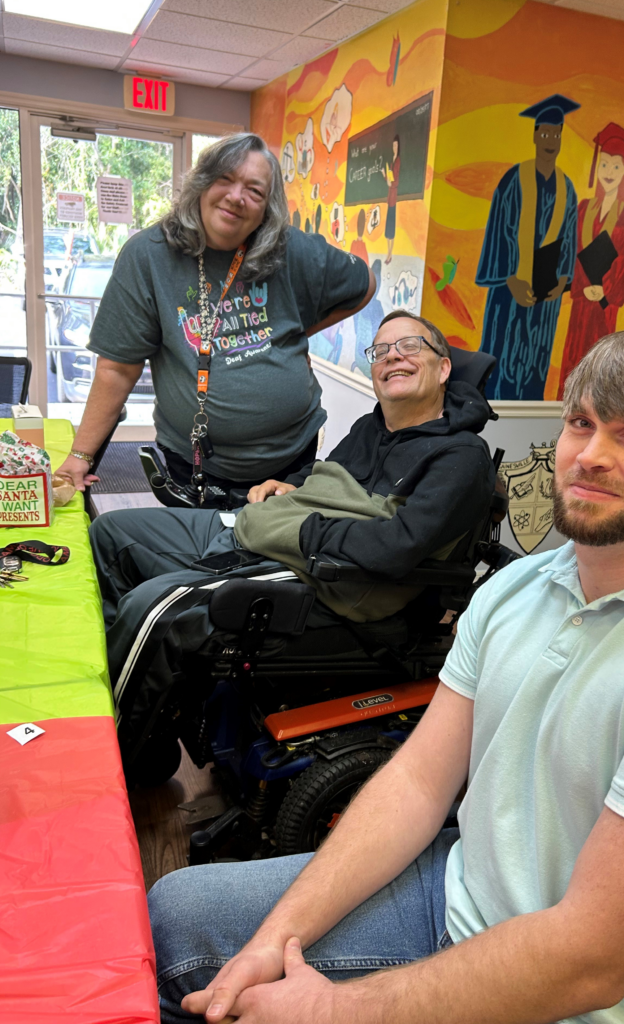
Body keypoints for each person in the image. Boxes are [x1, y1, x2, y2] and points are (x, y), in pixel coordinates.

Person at [148, 325, 624, 1024]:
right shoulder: (515, 589)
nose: (589, 456)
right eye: (579, 424)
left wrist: (339, 1010)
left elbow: (591, 961)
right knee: (177, 916)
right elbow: (416, 780)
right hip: (461, 887)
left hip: (594, 1003)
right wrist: (280, 934)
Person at [90, 310, 495, 767]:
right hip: (273, 529)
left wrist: (296, 531)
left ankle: (117, 756)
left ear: (444, 368)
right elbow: (326, 476)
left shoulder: (460, 457)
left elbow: (396, 546)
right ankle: (142, 705)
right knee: (112, 533)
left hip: (327, 577)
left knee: (155, 605)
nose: (392, 357)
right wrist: (293, 486)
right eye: (380, 350)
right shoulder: (374, 425)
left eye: (410, 346)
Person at [56, 132, 375, 507]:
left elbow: (363, 284)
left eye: (254, 191)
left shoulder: (291, 249)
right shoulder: (148, 256)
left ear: (266, 208)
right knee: (202, 557)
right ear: (202, 183)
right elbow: (117, 369)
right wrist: (80, 456)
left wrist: (299, 332)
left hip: (291, 462)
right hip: (194, 467)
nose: (237, 197)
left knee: (277, 561)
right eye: (225, 178)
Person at [476, 94, 579, 401]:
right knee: (500, 363)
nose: (551, 140)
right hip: (509, 298)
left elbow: (569, 239)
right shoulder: (514, 180)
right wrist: (511, 280)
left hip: (544, 304)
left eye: (556, 134)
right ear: (535, 136)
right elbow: (497, 235)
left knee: (535, 364)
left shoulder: (567, 188)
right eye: (545, 133)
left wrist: (562, 280)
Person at [559, 123, 624, 399]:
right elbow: (570, 251)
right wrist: (577, 286)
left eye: (616, 167)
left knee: (597, 365)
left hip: (603, 308)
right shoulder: (584, 208)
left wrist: (604, 292)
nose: (609, 173)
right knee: (573, 360)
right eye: (604, 164)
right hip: (581, 302)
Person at [380, 136, 400, 265]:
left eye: (396, 146)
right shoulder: (392, 162)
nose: (394, 148)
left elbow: (395, 181)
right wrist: (384, 174)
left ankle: (390, 253)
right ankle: (388, 252)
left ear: (399, 146)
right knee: (388, 229)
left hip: (393, 198)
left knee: (391, 230)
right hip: (389, 198)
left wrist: (390, 184)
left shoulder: (397, 161)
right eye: (393, 146)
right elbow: (390, 178)